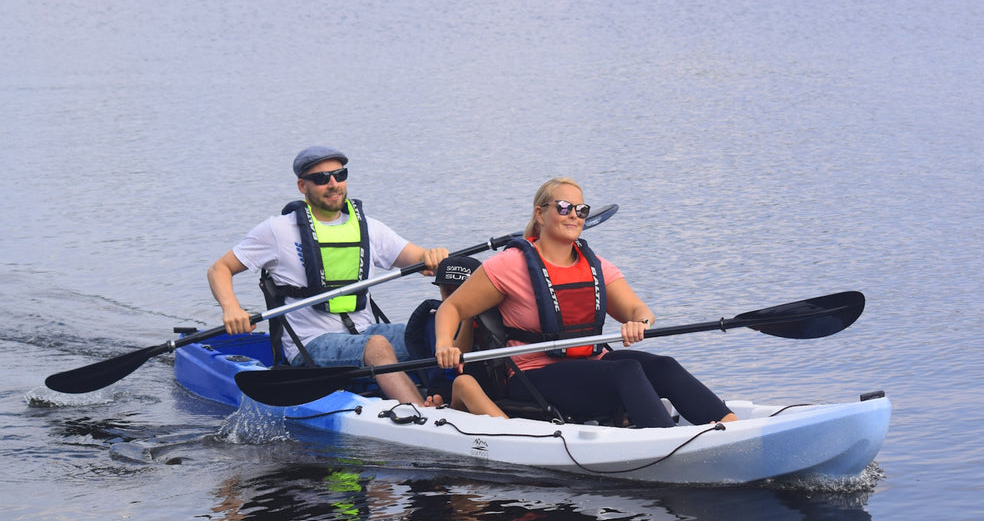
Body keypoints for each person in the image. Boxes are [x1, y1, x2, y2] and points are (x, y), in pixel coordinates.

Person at [433, 177, 738, 428]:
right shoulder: (509, 265)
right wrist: (445, 343)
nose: (574, 215)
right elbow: (452, 308)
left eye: (581, 209)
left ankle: (733, 428)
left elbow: (638, 310)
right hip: (533, 375)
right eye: (564, 207)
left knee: (664, 367)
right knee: (627, 371)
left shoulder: (595, 266)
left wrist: (639, 324)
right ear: (540, 215)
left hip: (589, 365)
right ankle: (674, 445)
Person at [208, 145, 448, 406]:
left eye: (339, 175)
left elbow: (420, 258)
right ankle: (421, 415)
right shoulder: (277, 231)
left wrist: (433, 256)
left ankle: (455, 396)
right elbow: (219, 269)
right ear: (302, 185)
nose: (333, 184)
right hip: (311, 345)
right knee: (377, 346)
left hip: (365, 332)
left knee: (437, 327)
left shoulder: (370, 228)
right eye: (322, 179)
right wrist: (231, 308)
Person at [407, 256, 508, 418]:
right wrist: (466, 314)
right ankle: (510, 432)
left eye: (460, 292)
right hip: (460, 395)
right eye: (447, 292)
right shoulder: (438, 325)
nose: (453, 299)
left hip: (500, 391)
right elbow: (458, 355)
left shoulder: (502, 315)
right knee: (464, 383)